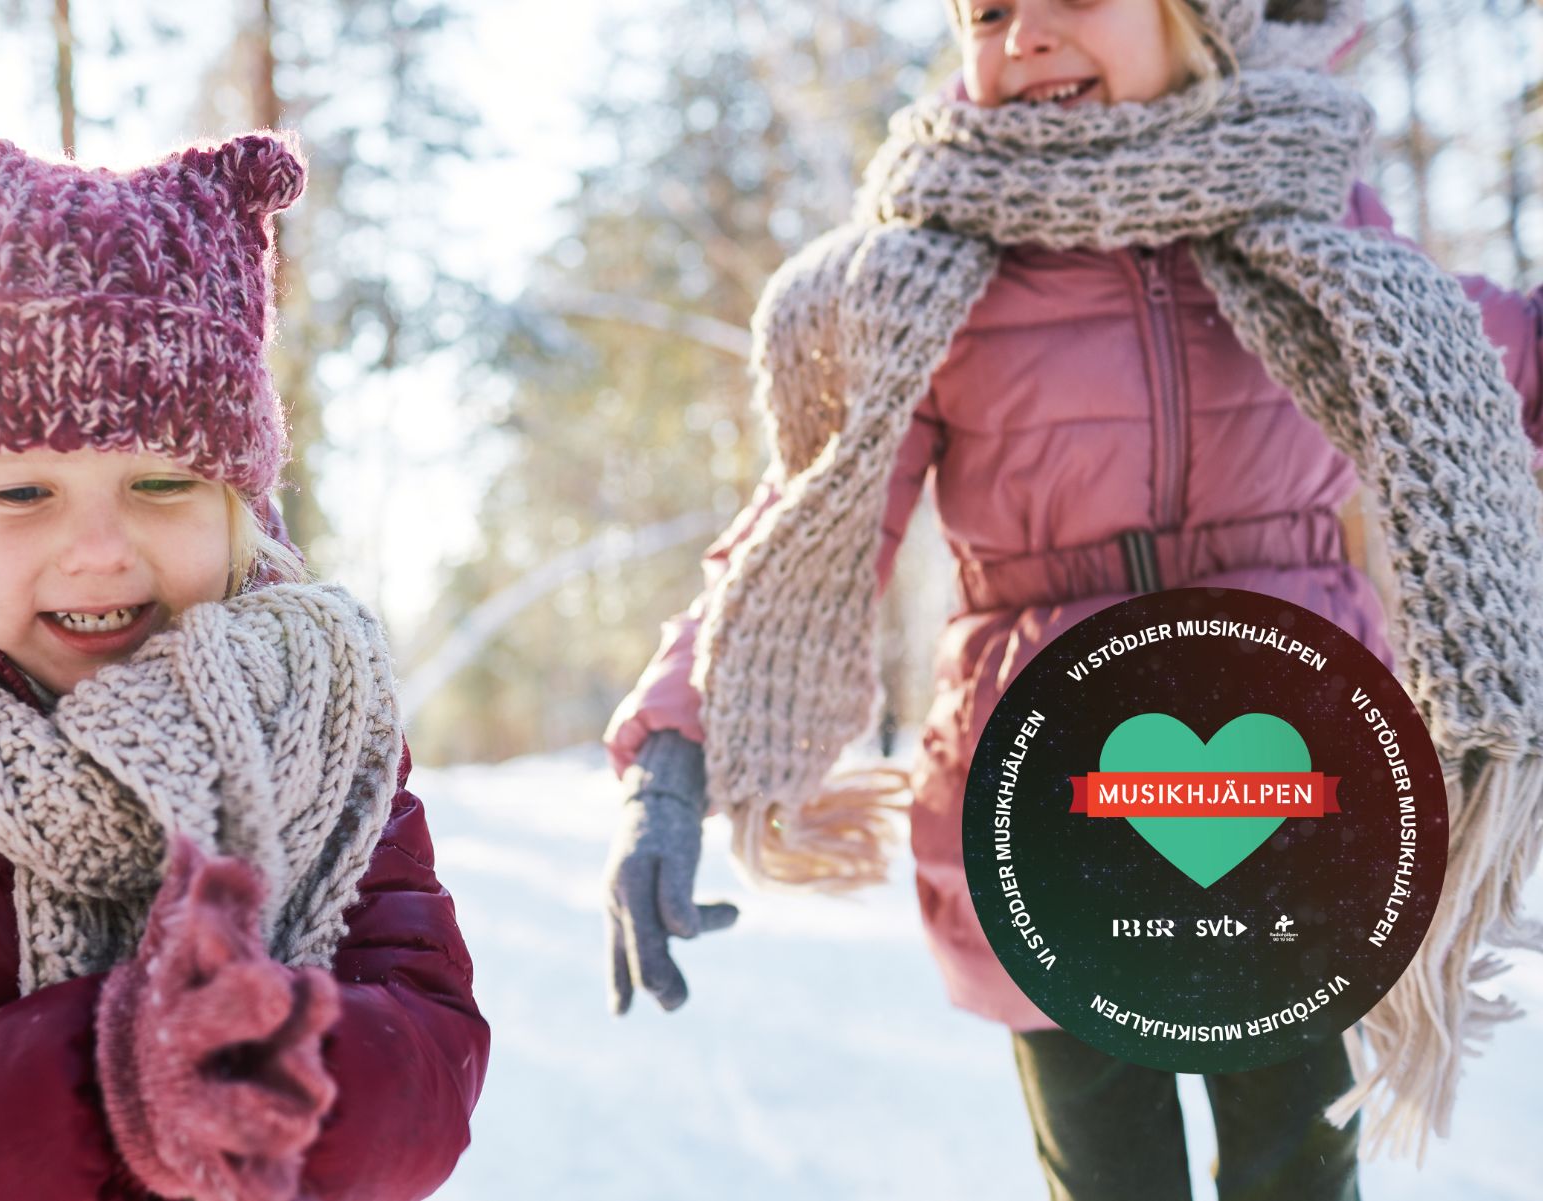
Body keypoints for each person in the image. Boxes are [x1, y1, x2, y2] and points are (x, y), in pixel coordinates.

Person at [601, 0, 1543, 1195]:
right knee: (1106, 1179)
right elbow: (799, 525)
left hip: (1299, 796)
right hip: (1045, 810)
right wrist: (671, 753)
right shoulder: (925, 278)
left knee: (1296, 1168)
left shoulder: (1317, 214)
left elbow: (1491, 361)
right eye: (987, 11)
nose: (1024, 34)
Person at [0, 106, 489, 1201]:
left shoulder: (320, 722)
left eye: (162, 484)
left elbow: (429, 1059)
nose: (97, 550)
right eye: (20, 492)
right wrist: (116, 1069)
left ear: (238, 509)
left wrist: (276, 1059)